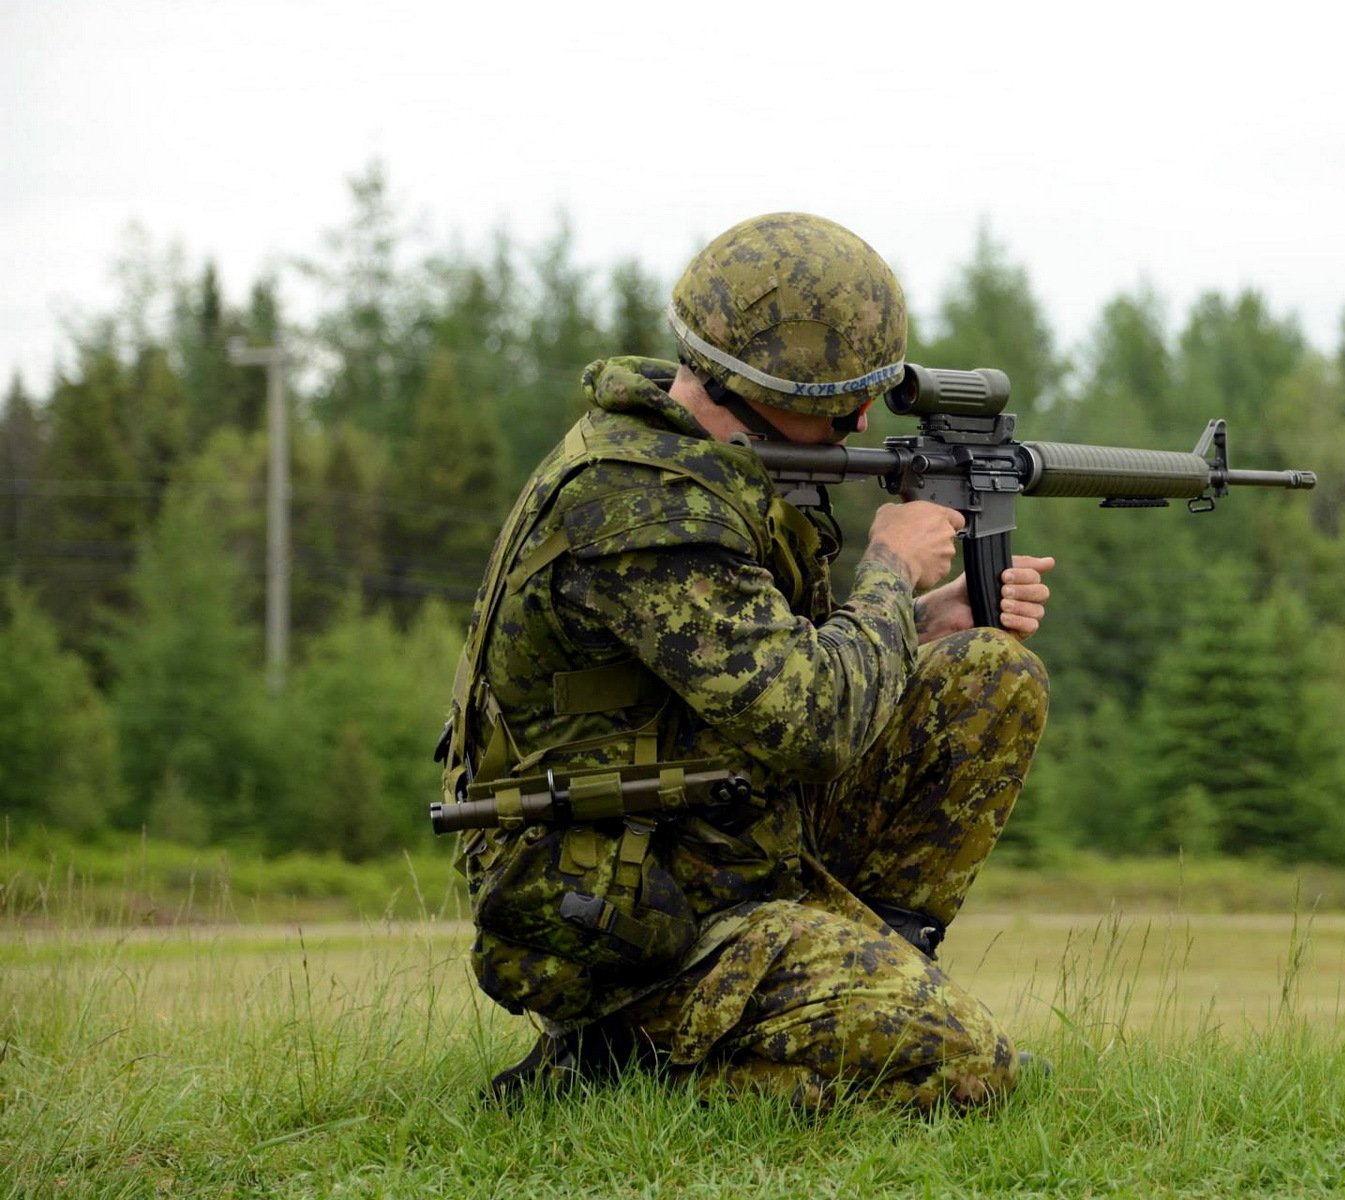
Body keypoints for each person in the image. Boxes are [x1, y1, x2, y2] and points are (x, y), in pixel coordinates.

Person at [441, 211, 1055, 1111]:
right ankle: (611, 1064)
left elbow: (768, 662)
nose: (858, 420)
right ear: (742, 387)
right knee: (970, 1072)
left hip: (716, 834)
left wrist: (920, 622)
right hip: (616, 908)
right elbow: (812, 727)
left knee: (986, 674)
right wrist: (888, 570)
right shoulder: (637, 505)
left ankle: (880, 981)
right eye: (835, 405)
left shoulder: (713, 471)